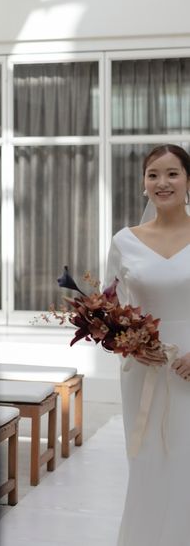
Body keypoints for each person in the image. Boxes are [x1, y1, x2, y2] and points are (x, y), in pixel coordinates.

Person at [106, 144, 190, 545]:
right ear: (143, 184)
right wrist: (132, 345)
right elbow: (109, 311)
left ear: (188, 180)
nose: (162, 182)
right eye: (153, 174)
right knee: (148, 464)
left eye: (172, 173)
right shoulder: (125, 242)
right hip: (144, 370)